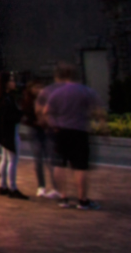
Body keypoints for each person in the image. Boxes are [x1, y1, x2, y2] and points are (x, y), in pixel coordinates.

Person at [44, 62, 106, 210]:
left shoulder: (56, 93)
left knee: (60, 164)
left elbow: (47, 112)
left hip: (61, 132)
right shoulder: (85, 91)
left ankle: (63, 197)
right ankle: (82, 200)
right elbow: (99, 111)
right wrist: (101, 125)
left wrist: (54, 124)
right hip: (79, 131)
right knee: (80, 167)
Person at [0, 71, 27, 199]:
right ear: (6, 83)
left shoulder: (3, 97)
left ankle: (3, 185)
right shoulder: (7, 99)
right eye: (11, 80)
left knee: (6, 159)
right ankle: (12, 187)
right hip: (10, 132)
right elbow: (11, 117)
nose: (14, 82)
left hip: (6, 133)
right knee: (12, 160)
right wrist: (20, 114)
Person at [23, 80, 60, 199]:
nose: (39, 90)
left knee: (52, 160)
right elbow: (24, 116)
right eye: (36, 87)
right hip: (35, 131)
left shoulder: (49, 100)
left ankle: (56, 187)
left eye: (41, 87)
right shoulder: (27, 101)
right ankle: (41, 186)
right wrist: (34, 122)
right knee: (38, 160)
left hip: (48, 131)